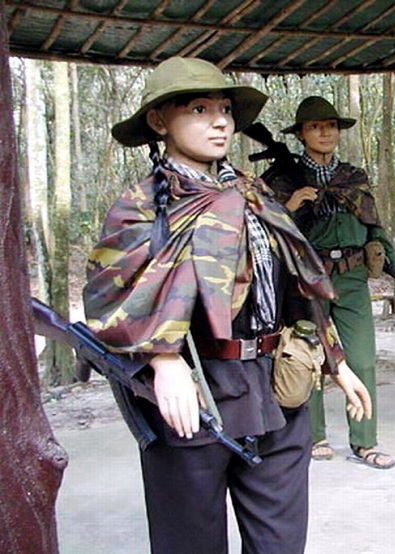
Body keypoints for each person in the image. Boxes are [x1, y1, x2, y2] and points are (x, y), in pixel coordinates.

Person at [82, 57, 371, 553]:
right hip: (193, 393)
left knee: (280, 541)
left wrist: (334, 360)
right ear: (159, 121)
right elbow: (111, 297)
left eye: (223, 109)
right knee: (190, 540)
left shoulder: (254, 193)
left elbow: (296, 282)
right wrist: (164, 358)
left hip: (277, 383)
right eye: (198, 108)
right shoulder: (141, 208)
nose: (219, 120)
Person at [264, 96, 395, 470]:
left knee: (362, 360)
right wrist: (292, 206)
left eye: (330, 125)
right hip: (306, 281)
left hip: (351, 278)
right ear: (301, 133)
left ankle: (365, 442)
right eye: (315, 126)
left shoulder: (354, 177)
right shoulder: (280, 178)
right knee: (310, 358)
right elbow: (265, 233)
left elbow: (373, 227)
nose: (324, 132)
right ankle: (313, 437)